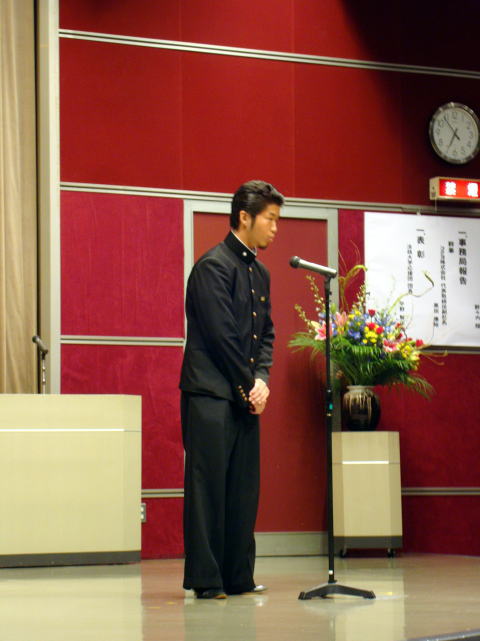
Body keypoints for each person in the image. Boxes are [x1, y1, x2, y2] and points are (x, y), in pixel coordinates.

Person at [180, 179, 284, 599]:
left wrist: (263, 380)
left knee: (243, 488)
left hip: (244, 394)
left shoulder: (260, 272)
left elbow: (267, 334)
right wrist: (250, 386)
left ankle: (238, 576)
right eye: (270, 219)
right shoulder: (213, 266)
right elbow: (221, 338)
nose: (275, 227)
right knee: (207, 489)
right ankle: (207, 580)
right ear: (245, 217)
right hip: (209, 394)